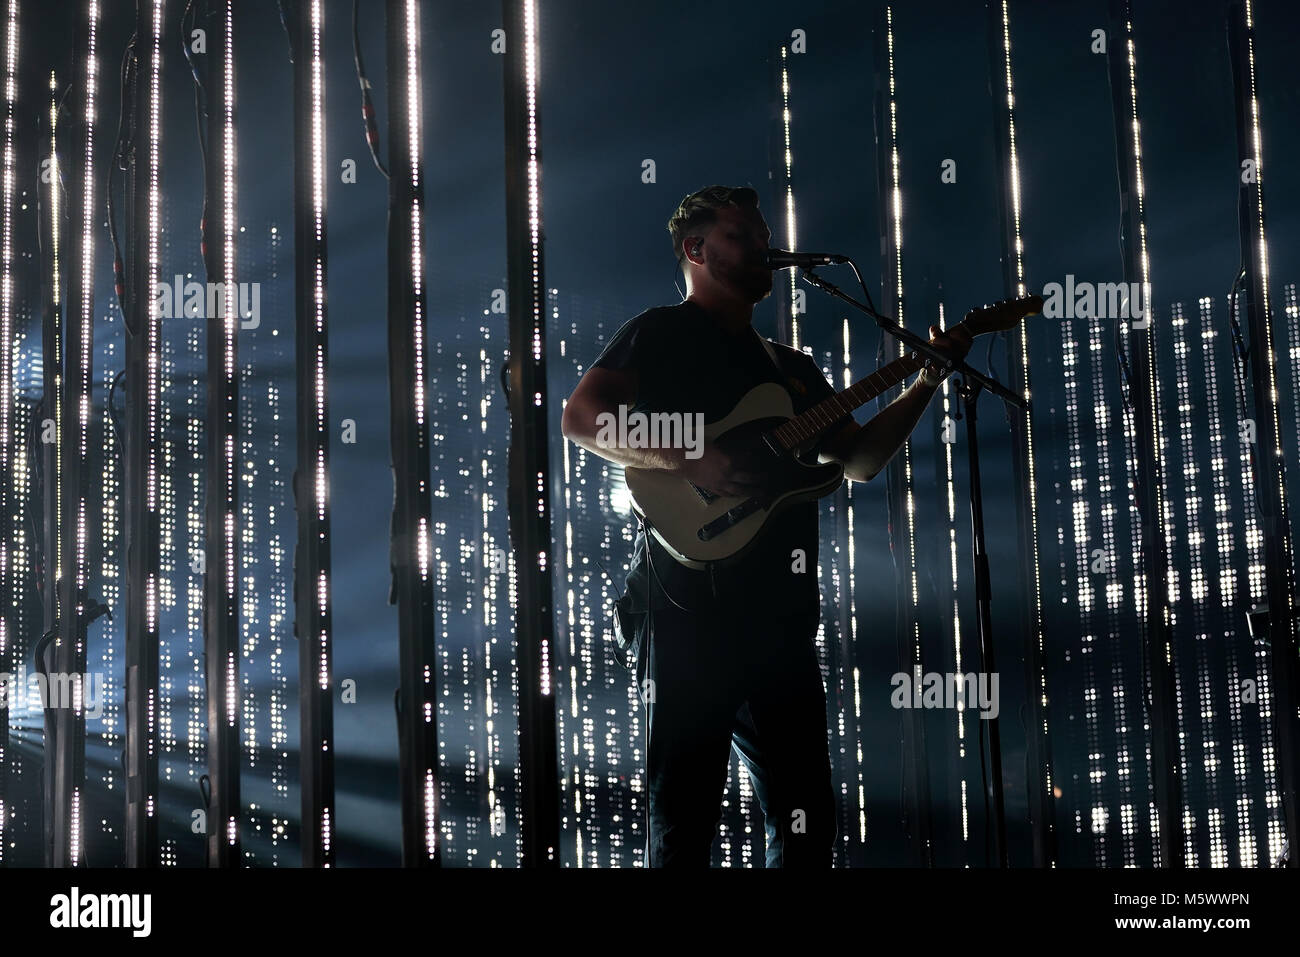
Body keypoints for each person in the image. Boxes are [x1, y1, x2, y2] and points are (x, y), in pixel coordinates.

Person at [560, 184, 972, 867]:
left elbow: (861, 460)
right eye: (742, 236)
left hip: (778, 619)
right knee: (684, 816)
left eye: (763, 234)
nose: (763, 247)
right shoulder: (659, 331)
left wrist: (926, 381)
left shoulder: (793, 369)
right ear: (695, 249)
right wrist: (693, 456)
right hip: (685, 607)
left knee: (806, 819)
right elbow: (582, 417)